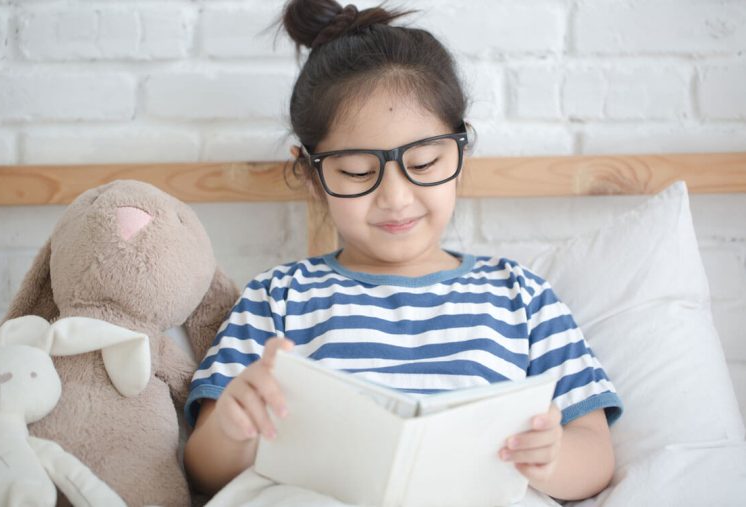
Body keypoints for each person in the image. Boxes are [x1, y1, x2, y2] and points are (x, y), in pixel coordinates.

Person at [184, 0, 623, 502]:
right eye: (356, 172)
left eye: (425, 161)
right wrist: (233, 429)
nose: (395, 198)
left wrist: (552, 457)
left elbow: (597, 454)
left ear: (460, 151)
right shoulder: (277, 298)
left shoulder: (519, 296)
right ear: (309, 174)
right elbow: (201, 470)